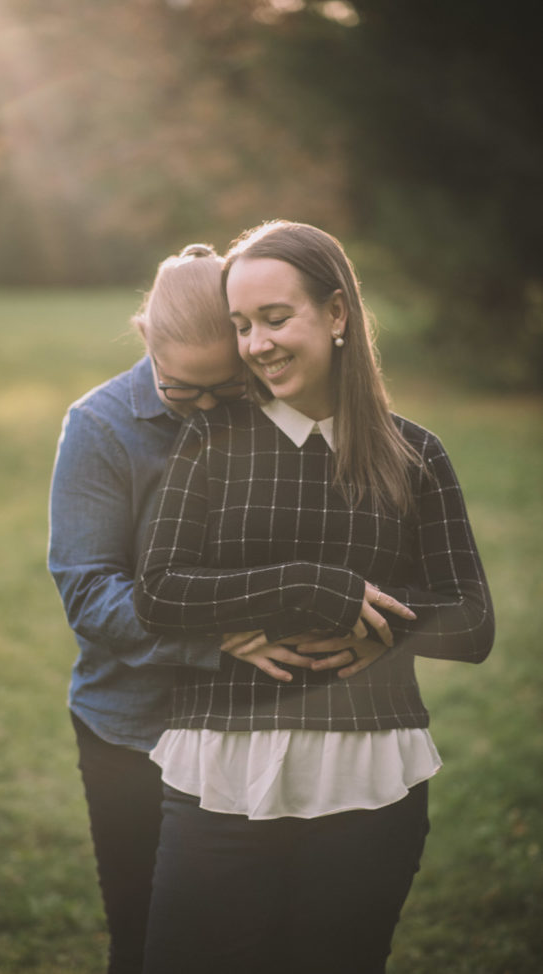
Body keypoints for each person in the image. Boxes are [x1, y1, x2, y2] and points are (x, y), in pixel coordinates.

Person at [134, 221, 495, 974]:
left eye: (274, 319)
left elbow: (473, 619)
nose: (256, 344)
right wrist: (309, 587)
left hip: (367, 782)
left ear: (336, 315)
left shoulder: (414, 453)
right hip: (219, 773)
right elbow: (159, 593)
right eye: (241, 327)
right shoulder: (211, 441)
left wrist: (389, 629)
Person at [47, 242, 383, 974]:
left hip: (257, 725)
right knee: (148, 942)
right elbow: (88, 591)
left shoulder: (279, 410)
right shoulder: (101, 427)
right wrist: (220, 634)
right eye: (180, 394)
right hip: (136, 727)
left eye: (221, 393)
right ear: (147, 342)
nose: (204, 411)